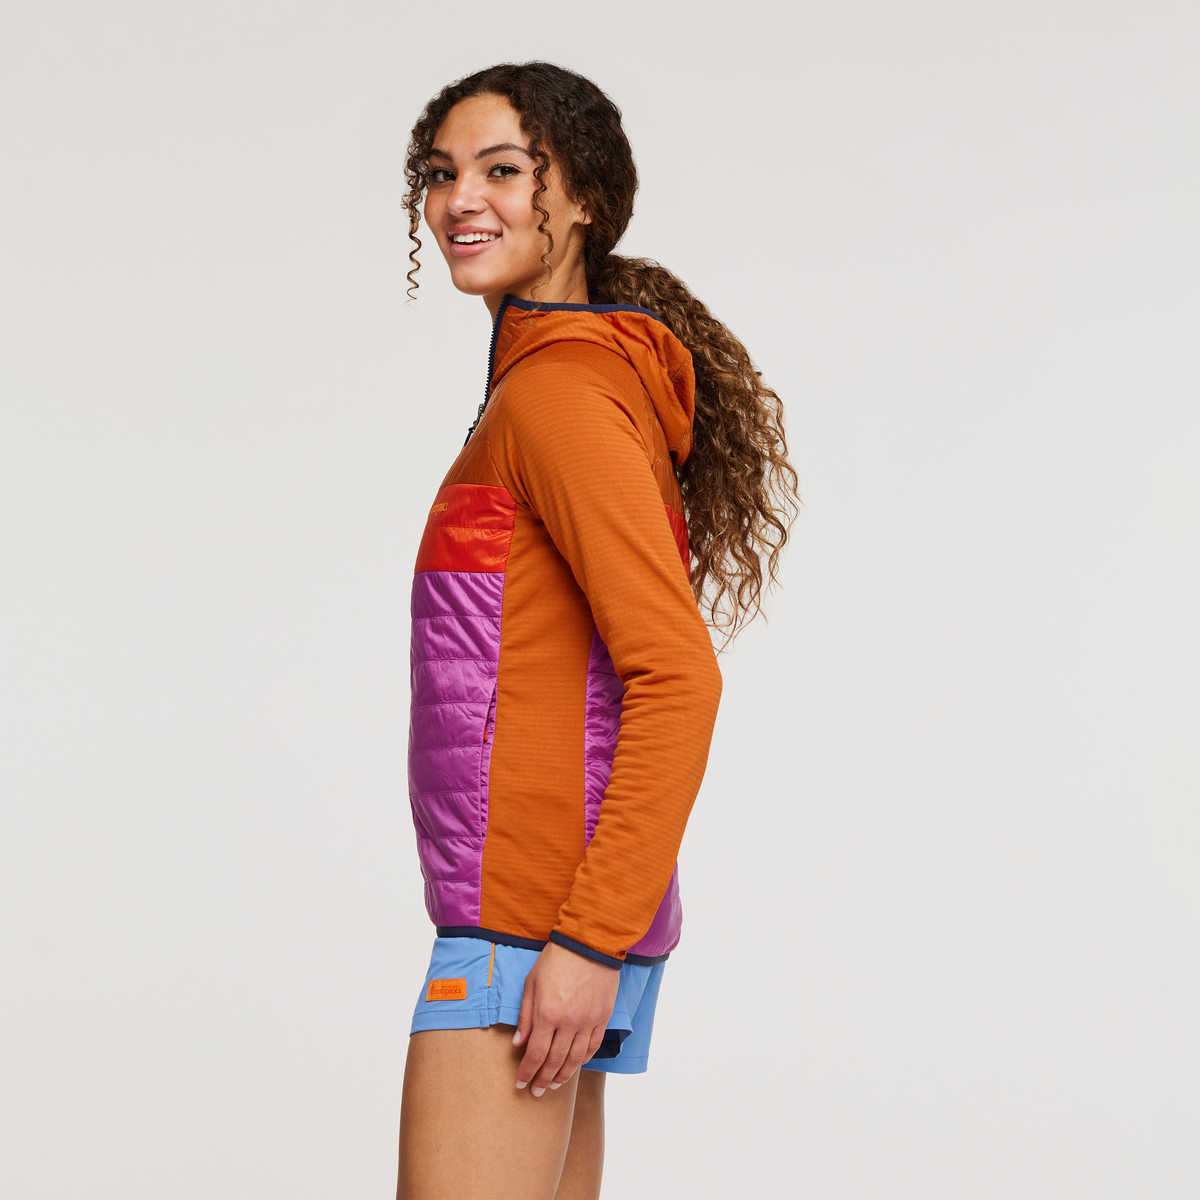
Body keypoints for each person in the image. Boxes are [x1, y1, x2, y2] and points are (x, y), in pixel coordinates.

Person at [395, 62, 798, 1200]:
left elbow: (677, 675)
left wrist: (581, 942)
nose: (462, 199)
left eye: (503, 170)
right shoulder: (561, 384)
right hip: (554, 920)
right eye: (442, 173)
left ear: (581, 201)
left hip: (533, 928)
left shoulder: (556, 395)